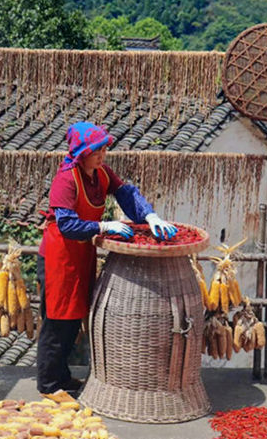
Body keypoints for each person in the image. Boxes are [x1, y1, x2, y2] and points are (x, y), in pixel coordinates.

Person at [37, 121, 177, 402]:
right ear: (81, 153)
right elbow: (66, 224)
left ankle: (63, 378)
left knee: (75, 320)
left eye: (104, 149)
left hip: (81, 255)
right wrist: (102, 227)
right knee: (57, 322)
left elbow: (126, 193)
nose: (102, 156)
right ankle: (50, 385)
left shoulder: (100, 174)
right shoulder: (66, 179)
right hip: (59, 257)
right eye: (96, 151)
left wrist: (149, 216)